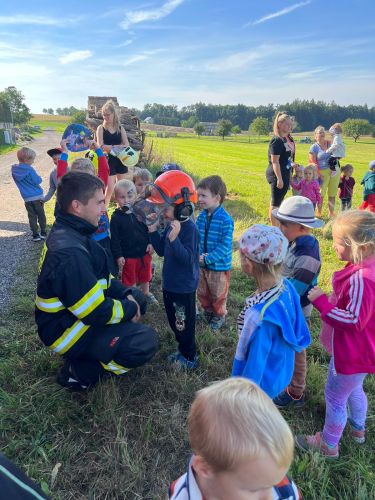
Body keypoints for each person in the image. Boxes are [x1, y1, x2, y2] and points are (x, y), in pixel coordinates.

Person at [35, 172, 158, 390]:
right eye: (100, 202)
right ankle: (79, 372)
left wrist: (127, 295)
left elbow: (104, 279)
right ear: (77, 206)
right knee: (144, 342)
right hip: (65, 331)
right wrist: (129, 308)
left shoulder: (74, 231)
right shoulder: (69, 253)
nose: (104, 209)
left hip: (73, 315)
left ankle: (103, 345)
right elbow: (95, 311)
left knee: (139, 296)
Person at [296, 210, 375, 458]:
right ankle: (358, 430)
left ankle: (328, 444)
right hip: (362, 353)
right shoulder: (364, 267)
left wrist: (322, 303)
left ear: (357, 246)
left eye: (337, 242)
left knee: (334, 395)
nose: (333, 246)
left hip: (351, 353)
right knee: (354, 389)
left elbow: (354, 320)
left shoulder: (363, 278)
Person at [168, 377, 301, 500]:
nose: (270, 497)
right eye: (253, 490)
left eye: (274, 482)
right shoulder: (182, 494)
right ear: (205, 468)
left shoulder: (282, 489)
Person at [232, 224, 310, 398]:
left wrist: (243, 395)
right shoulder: (288, 287)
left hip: (259, 388)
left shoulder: (258, 318)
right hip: (280, 371)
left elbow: (255, 362)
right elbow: (299, 330)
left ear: (248, 264)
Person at [271, 197, 323, 407]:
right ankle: (283, 380)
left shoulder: (308, 253)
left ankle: (295, 392)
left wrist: (275, 297)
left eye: (284, 224)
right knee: (284, 343)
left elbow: (296, 287)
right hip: (284, 301)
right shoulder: (294, 242)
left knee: (296, 348)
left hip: (297, 307)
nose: (280, 227)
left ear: (302, 227)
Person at [147, 170, 200, 369]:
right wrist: (153, 233)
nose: (161, 210)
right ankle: (182, 348)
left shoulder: (189, 230)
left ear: (182, 207)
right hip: (170, 284)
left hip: (183, 287)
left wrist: (174, 239)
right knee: (175, 320)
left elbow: (188, 260)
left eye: (164, 206)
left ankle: (189, 356)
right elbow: (161, 251)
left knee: (183, 323)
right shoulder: (171, 225)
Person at [195, 175, 234, 330]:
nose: (199, 199)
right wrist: (197, 256)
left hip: (218, 266)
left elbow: (225, 246)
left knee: (218, 294)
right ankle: (208, 311)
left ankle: (219, 315)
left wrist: (209, 258)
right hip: (201, 263)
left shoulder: (225, 220)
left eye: (203, 196)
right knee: (203, 291)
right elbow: (196, 238)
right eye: (198, 195)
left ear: (217, 197)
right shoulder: (201, 217)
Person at [110, 179, 157, 304]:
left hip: (144, 252)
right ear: (116, 199)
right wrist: (119, 255)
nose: (126, 200)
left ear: (135, 195)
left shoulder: (140, 211)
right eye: (122, 197)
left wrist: (151, 242)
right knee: (129, 278)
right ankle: (132, 296)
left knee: (145, 274)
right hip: (128, 255)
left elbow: (149, 228)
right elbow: (114, 240)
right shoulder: (116, 218)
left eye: (130, 196)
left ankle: (146, 292)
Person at [96, 100, 130, 205]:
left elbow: (126, 145)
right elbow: (100, 146)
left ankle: (121, 208)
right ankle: (103, 212)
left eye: (107, 115)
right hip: (108, 160)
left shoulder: (120, 128)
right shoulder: (100, 128)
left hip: (121, 159)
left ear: (113, 114)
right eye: (103, 115)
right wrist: (116, 147)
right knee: (110, 188)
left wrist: (110, 147)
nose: (105, 117)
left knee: (121, 187)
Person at [11, 146, 47, 242]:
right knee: (41, 215)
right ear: (27, 159)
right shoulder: (30, 169)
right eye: (33, 159)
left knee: (32, 216)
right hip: (37, 197)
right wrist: (40, 178)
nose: (33, 161)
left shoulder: (15, 170)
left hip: (27, 198)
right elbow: (37, 181)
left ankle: (35, 235)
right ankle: (43, 232)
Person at [266, 112, 295, 224]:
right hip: (277, 174)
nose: (289, 126)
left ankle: (276, 225)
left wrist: (291, 167)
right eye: (287, 124)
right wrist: (279, 178)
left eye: (290, 124)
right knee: (275, 203)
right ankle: (274, 228)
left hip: (284, 172)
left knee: (279, 200)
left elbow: (285, 159)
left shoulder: (285, 139)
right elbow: (275, 162)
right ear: (279, 124)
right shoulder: (277, 141)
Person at [309, 126, 338, 218]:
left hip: (334, 170)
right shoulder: (314, 147)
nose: (321, 134)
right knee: (321, 194)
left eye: (323, 132)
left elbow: (339, 153)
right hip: (322, 172)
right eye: (319, 133)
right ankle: (319, 213)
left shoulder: (330, 143)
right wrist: (318, 174)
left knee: (332, 193)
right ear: (315, 136)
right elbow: (312, 162)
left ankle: (331, 214)